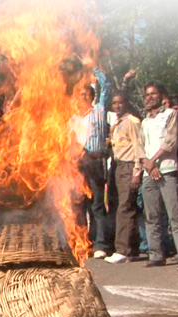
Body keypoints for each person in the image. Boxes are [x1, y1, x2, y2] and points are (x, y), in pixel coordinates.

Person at [140, 82, 178, 271]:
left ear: (162, 96)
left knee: (175, 216)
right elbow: (139, 145)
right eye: (147, 94)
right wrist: (147, 163)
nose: (149, 97)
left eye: (153, 94)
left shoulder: (171, 115)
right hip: (149, 173)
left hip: (167, 171)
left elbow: (171, 140)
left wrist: (153, 160)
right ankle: (156, 255)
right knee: (151, 216)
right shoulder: (145, 121)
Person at [69, 67, 113, 259]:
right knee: (78, 207)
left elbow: (108, 87)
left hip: (94, 162)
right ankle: (82, 243)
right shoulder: (72, 119)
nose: (81, 98)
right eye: (79, 95)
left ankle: (100, 244)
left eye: (85, 95)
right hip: (77, 166)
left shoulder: (99, 112)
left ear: (92, 97)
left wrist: (94, 67)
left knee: (96, 205)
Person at [104, 93, 145, 264]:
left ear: (126, 103)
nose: (117, 106)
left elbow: (139, 146)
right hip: (117, 166)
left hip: (128, 166)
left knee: (125, 207)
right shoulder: (116, 123)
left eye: (121, 102)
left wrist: (137, 171)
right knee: (120, 206)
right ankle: (132, 249)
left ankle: (122, 249)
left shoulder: (133, 122)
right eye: (114, 103)